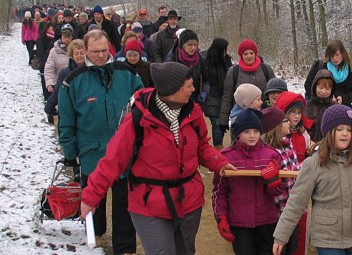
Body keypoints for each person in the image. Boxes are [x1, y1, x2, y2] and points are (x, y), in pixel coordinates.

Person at [80, 61, 236, 255]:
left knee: (185, 251)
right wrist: (91, 197)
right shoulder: (138, 120)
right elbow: (113, 160)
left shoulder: (193, 112)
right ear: (174, 90)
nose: (193, 89)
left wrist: (219, 162)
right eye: (189, 85)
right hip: (149, 203)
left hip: (188, 201)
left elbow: (202, 147)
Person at [58, 30, 142, 255]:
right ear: (84, 50)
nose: (101, 55)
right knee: (94, 201)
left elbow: (143, 108)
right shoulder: (72, 82)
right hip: (91, 152)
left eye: (105, 50)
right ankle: (94, 238)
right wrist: (70, 152)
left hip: (125, 154)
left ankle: (124, 248)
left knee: (125, 203)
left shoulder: (127, 74)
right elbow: (66, 121)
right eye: (95, 51)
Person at [272, 104, 352, 255]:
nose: (345, 134)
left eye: (349, 130)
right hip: (327, 238)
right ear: (328, 131)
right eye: (339, 129)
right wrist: (280, 236)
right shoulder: (314, 163)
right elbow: (296, 202)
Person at [213, 108, 284, 255]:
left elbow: (278, 193)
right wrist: (221, 217)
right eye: (246, 132)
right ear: (238, 133)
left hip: (267, 220)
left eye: (256, 131)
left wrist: (273, 182)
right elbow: (219, 191)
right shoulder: (226, 158)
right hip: (240, 221)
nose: (252, 136)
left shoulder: (271, 155)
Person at [271, 91, 313, 255]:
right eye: (291, 113)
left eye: (298, 113)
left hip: (299, 194)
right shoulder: (278, 141)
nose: (296, 117)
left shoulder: (302, 135)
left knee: (298, 239)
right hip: (280, 200)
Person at [260, 106, 301, 255]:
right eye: (285, 121)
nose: (289, 123)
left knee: (292, 248)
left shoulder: (288, 145)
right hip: (276, 214)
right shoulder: (267, 153)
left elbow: (296, 170)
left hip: (292, 210)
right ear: (275, 126)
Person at [219, 39, 277, 132]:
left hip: (264, 115)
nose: (249, 56)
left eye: (251, 53)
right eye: (245, 54)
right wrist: (223, 120)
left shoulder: (266, 69)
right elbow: (227, 96)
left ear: (255, 54)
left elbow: (274, 93)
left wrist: (270, 106)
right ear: (241, 55)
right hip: (241, 117)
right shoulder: (233, 71)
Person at [303, 40, 352, 108]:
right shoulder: (320, 66)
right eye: (331, 55)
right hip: (319, 106)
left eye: (337, 55)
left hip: (342, 106)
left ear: (343, 54)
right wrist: (325, 99)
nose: (334, 58)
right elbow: (308, 85)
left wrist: (343, 98)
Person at [202, 38, 233, 149]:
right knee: (216, 124)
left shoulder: (227, 60)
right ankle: (218, 150)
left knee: (222, 124)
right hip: (210, 97)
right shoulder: (206, 61)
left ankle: (220, 148)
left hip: (224, 97)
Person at [45, 39, 85, 121]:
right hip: (70, 109)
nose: (79, 56)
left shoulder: (91, 70)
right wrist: (49, 107)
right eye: (76, 53)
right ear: (72, 55)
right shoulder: (66, 72)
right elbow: (58, 91)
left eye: (82, 53)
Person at [43, 24, 75, 110]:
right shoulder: (54, 51)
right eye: (65, 37)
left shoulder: (76, 50)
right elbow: (49, 68)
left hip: (75, 87)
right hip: (60, 86)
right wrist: (50, 84)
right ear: (61, 36)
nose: (67, 39)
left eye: (69, 37)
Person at [172, 29, 206, 104]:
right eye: (189, 45)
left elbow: (206, 79)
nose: (193, 48)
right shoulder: (173, 59)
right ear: (182, 45)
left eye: (195, 45)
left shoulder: (200, 59)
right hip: (178, 100)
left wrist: (205, 91)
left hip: (196, 99)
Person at [306, 69, 336, 142]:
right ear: (314, 87)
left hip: (330, 146)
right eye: (320, 88)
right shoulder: (307, 107)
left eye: (327, 89)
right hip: (311, 146)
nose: (323, 91)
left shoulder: (335, 108)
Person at [35, 22, 56, 100]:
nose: (52, 29)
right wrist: (45, 62)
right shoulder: (41, 38)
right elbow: (41, 52)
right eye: (50, 27)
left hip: (52, 62)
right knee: (44, 79)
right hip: (44, 62)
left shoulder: (54, 38)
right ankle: (46, 97)